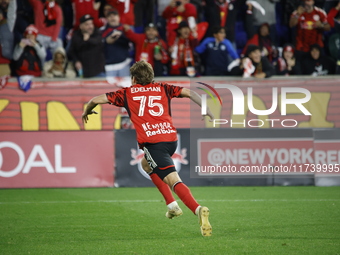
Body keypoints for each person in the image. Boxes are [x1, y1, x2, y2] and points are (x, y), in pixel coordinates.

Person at [82, 60, 213, 237]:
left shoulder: (127, 93)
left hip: (153, 143)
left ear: (134, 79)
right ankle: (172, 206)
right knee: (146, 164)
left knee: (173, 179)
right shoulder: (163, 87)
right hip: (170, 139)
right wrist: (205, 108)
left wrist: (87, 110)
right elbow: (189, 92)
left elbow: (95, 99)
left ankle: (198, 209)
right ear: (151, 77)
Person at [101, 9, 130, 78]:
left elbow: (132, 42)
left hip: (123, 63)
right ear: (107, 19)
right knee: (110, 88)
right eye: (110, 16)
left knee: (125, 87)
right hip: (109, 65)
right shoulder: (102, 30)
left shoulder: (125, 29)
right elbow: (99, 46)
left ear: (119, 17)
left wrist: (121, 35)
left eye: (114, 15)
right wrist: (106, 41)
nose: (112, 18)